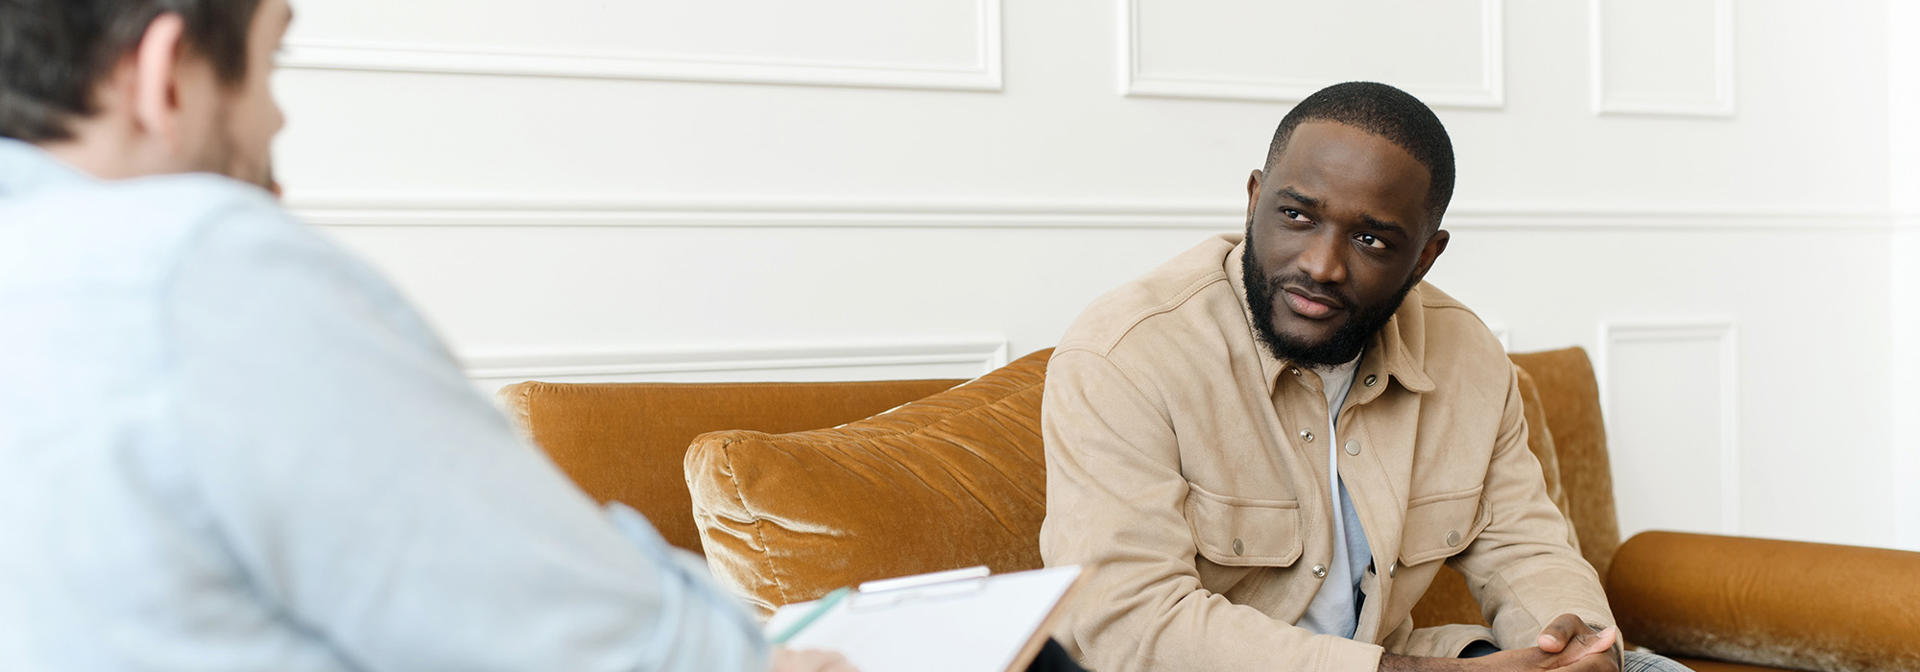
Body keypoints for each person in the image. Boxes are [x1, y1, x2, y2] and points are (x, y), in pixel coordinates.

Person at [0, 1, 850, 670]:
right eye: (269, 64)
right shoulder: (194, 264)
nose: (275, 122)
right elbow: (624, 651)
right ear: (167, 76)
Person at [1037, 82, 1689, 672]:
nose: (1321, 265)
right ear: (1255, 199)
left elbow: (1525, 547)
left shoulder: (1465, 354)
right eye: (1296, 216)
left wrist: (1575, 648)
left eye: (1372, 240)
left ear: (1425, 256)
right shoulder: (1125, 353)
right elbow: (1123, 622)